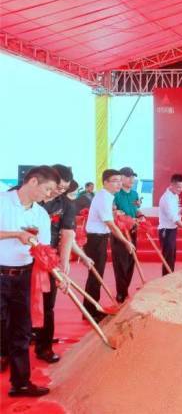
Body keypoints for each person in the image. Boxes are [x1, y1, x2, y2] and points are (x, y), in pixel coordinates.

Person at [0, 165, 59, 397]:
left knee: (22, 330)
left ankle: (21, 383)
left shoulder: (40, 214)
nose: (49, 194)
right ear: (33, 181)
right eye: (48, 189)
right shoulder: (3, 201)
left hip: (24, 277)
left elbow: (44, 250)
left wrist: (57, 275)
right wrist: (16, 234)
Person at [33, 165, 76, 364]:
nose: (59, 192)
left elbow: (67, 233)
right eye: (58, 187)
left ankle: (44, 347)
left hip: (48, 260)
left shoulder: (66, 204)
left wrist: (63, 263)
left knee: (47, 305)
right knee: (13, 305)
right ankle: (5, 350)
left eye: (64, 189)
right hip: (20, 258)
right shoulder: (26, 195)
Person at [83, 169, 136, 321]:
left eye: (119, 180)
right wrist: (126, 241)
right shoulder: (103, 198)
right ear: (105, 182)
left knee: (97, 275)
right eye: (114, 181)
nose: (118, 184)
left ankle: (92, 308)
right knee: (95, 275)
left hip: (100, 238)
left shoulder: (107, 196)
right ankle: (91, 311)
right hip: (96, 240)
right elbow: (111, 225)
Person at [111, 167, 142, 303]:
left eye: (132, 177)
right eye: (128, 176)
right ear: (121, 178)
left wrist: (141, 216)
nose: (131, 179)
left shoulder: (134, 194)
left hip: (133, 231)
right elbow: (112, 212)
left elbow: (137, 210)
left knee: (130, 262)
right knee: (121, 263)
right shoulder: (115, 195)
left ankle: (125, 290)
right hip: (120, 233)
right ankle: (121, 293)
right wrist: (117, 213)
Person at [158, 174, 182, 275]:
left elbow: (176, 210)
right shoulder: (166, 199)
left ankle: (170, 277)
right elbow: (175, 220)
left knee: (172, 256)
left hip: (172, 229)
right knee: (168, 258)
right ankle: (166, 279)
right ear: (171, 184)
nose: (181, 189)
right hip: (166, 231)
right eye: (179, 187)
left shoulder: (175, 195)